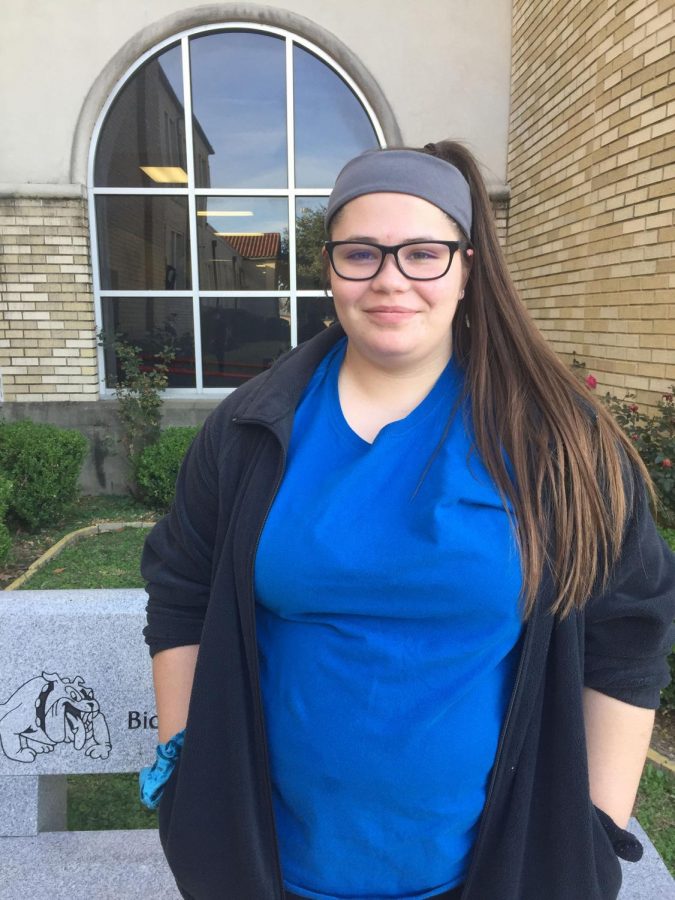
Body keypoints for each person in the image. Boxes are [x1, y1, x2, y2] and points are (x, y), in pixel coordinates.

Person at [140, 141, 675, 900]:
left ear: (466, 267)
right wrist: (184, 769)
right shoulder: (250, 430)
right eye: (361, 253)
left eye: (422, 253)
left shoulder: (556, 442)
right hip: (265, 871)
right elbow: (182, 593)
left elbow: (630, 629)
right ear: (329, 269)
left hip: (490, 874)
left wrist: (592, 826)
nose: (390, 279)